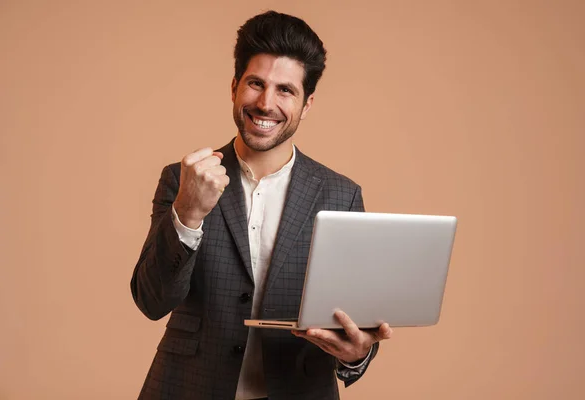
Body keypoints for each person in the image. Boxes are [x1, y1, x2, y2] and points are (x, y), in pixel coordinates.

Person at [130, 10, 392, 400]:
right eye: (256, 83)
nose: (266, 103)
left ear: (307, 104)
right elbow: (152, 301)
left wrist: (357, 355)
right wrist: (187, 216)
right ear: (234, 86)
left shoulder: (341, 195)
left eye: (286, 90)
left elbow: (353, 320)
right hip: (188, 388)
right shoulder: (183, 178)